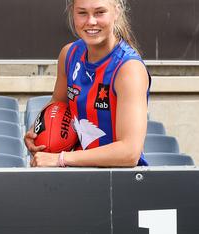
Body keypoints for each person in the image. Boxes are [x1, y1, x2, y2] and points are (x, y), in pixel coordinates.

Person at [25, 0, 150, 167]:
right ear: (72, 13)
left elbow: (129, 152)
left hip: (119, 183)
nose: (91, 21)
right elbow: (58, 103)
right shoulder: (69, 54)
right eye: (82, 13)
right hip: (78, 177)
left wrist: (61, 158)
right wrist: (39, 129)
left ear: (117, 12)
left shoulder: (128, 69)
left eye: (100, 12)